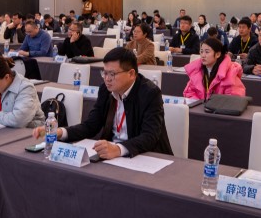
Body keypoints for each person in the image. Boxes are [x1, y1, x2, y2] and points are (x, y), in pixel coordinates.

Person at [32, 47, 172, 159]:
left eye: (112, 74)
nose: (107, 79)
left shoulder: (150, 93)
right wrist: (61, 132)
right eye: (104, 73)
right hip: (111, 156)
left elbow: (149, 137)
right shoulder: (105, 90)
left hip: (144, 156)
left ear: (131, 74)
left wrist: (118, 149)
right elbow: (91, 125)